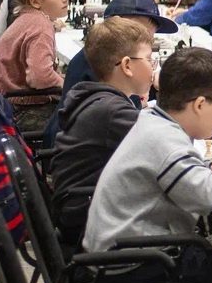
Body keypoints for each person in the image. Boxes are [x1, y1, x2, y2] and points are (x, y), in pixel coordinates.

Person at [82, 47, 212, 283]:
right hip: (136, 266)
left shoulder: (153, 119)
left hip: (121, 254)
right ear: (200, 105)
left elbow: (180, 178)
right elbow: (205, 196)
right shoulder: (165, 140)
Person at [52, 18, 156, 247]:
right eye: (149, 59)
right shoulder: (112, 111)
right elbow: (165, 146)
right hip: (98, 230)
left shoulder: (97, 98)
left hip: (83, 216)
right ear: (127, 66)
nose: (153, 67)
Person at [0, 0, 67, 129]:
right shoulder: (41, 27)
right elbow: (39, 77)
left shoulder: (28, 18)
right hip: (16, 110)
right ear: (35, 1)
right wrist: (64, 83)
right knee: (79, 120)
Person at [61, 0, 177, 95]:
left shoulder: (105, 53)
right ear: (114, 25)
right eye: (137, 34)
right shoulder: (99, 62)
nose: (145, 45)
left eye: (150, 39)